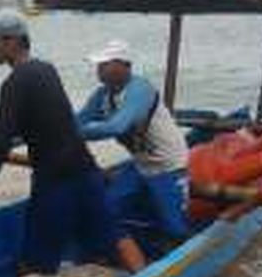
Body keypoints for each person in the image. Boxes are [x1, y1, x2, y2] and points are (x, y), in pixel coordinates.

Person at [0, 12, 145, 274]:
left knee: (35, 260)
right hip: (86, 170)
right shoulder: (46, 69)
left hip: (54, 180)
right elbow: (36, 123)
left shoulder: (14, 82)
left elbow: (2, 146)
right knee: (115, 233)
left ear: (11, 41)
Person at [77, 40, 190, 242]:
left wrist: (78, 133)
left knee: (175, 228)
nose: (98, 70)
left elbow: (117, 127)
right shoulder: (102, 94)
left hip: (170, 166)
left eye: (104, 64)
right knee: (107, 208)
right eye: (98, 65)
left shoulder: (140, 90)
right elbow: (77, 121)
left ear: (124, 65)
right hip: (141, 165)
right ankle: (123, 247)